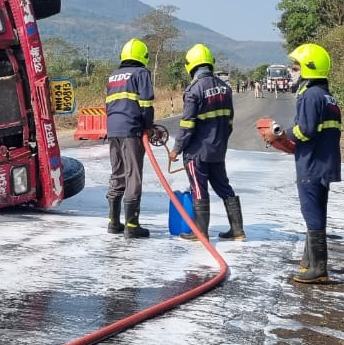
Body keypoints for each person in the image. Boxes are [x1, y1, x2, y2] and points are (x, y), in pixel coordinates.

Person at [168, 44, 245, 241]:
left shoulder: (194, 90)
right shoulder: (225, 88)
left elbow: (187, 125)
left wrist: (176, 150)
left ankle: (200, 232)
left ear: (191, 67)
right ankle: (237, 230)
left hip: (197, 152)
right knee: (224, 187)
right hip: (218, 150)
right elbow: (229, 123)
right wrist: (219, 143)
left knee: (198, 188)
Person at [282, 43, 342, 283]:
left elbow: (305, 131)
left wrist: (284, 134)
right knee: (317, 212)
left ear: (308, 67)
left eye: (295, 66)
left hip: (312, 163)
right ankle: (309, 263)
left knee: (312, 213)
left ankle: (318, 269)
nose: (292, 69)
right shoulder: (328, 96)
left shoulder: (310, 95)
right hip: (325, 163)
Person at [104, 38, 156, 238]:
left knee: (117, 172)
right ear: (143, 56)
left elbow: (109, 106)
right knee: (133, 174)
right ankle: (132, 226)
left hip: (113, 130)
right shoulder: (141, 73)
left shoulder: (113, 77)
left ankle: (113, 222)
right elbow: (146, 104)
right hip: (131, 130)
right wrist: (148, 127)